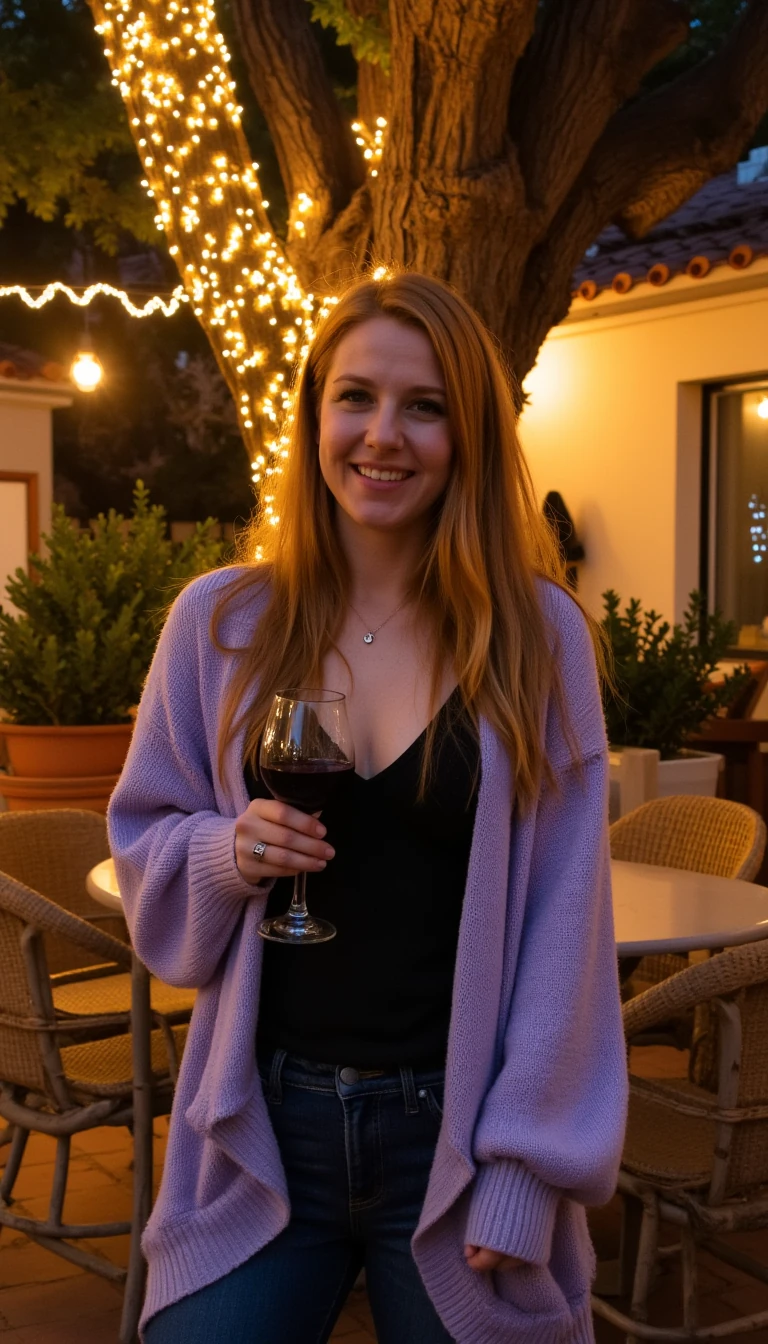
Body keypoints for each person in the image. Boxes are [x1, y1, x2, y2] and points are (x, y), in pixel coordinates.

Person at [108, 270, 627, 1344]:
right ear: (312, 417)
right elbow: (148, 845)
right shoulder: (221, 624)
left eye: (425, 406)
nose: (382, 435)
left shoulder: (538, 639)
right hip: (259, 1135)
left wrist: (526, 1171)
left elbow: (567, 927)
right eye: (354, 397)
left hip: (460, 1141)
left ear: (469, 436)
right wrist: (224, 854)